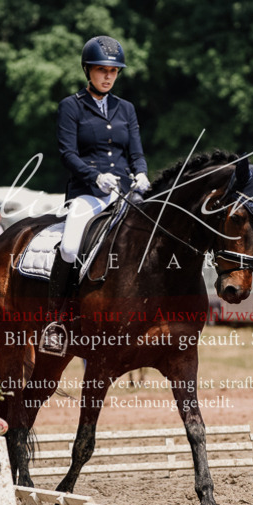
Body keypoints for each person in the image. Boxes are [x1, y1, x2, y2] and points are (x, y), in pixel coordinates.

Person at [39, 35, 150, 355]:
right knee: (71, 246)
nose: (107, 76)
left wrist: (141, 172)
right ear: (88, 70)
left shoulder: (125, 108)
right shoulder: (71, 106)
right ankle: (56, 321)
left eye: (113, 71)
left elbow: (136, 153)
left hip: (124, 193)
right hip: (88, 192)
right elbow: (67, 154)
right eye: (101, 70)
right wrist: (94, 176)